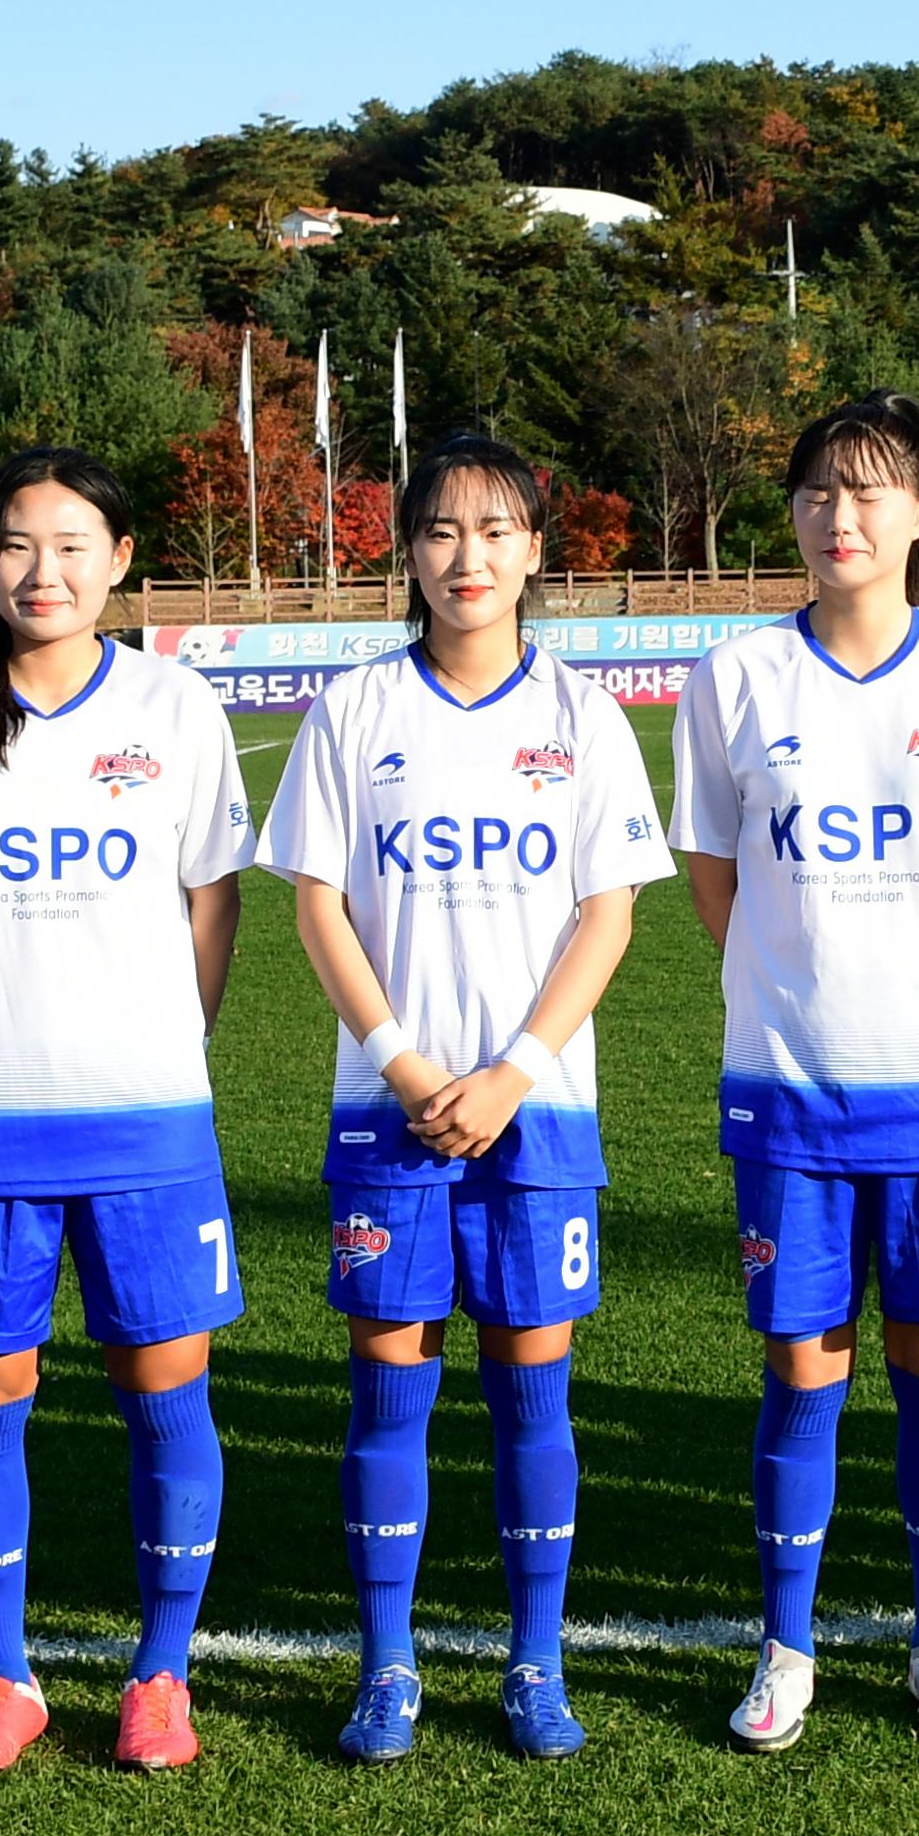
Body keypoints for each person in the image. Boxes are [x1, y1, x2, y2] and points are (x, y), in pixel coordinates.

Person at [257, 432, 669, 1763]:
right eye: (441, 531)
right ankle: (388, 1664)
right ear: (409, 551)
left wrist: (512, 1072)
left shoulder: (580, 719)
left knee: (530, 1386)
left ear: (536, 551)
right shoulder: (358, 711)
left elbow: (606, 917)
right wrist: (409, 1064)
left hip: (534, 1112)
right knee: (391, 1382)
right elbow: (317, 903)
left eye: (496, 532)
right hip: (394, 1108)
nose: (467, 557)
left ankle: (533, 1661)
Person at [0, 447, 255, 1775]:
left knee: (163, 1388)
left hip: (145, 1118)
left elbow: (212, 898)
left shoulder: (174, 708)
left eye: (74, 545)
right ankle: (4, 1679)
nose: (45, 571)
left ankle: (161, 1670)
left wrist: (166, 1042)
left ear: (120, 560)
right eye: (20, 544)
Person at [670, 391, 919, 1752]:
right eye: (820, 492)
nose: (844, 516)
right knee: (802, 1363)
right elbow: (717, 878)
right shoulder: (735, 680)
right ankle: (786, 1645)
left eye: (873, 491)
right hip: (790, 1086)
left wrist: (909, 978)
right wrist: (801, 975)